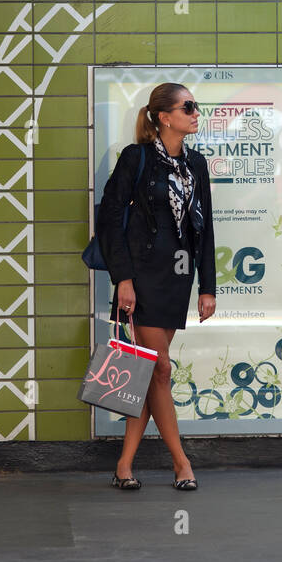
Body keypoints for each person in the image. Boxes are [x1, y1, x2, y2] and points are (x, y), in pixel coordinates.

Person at [97, 82, 216, 491]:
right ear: (165, 116)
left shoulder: (196, 164)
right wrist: (123, 279)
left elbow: (206, 229)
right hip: (142, 278)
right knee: (161, 368)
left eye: (195, 107)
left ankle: (124, 465)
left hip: (177, 277)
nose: (196, 113)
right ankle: (181, 463)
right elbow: (110, 219)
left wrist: (207, 286)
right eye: (189, 107)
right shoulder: (138, 158)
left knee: (150, 373)